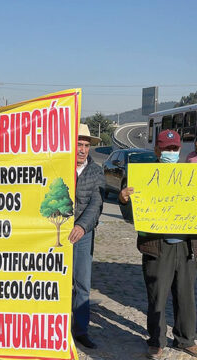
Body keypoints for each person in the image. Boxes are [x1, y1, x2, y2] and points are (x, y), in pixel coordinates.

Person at [119, 129, 197, 359]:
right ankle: (156, 340)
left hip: (185, 246)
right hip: (156, 245)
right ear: (157, 150)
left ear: (180, 149)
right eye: (166, 148)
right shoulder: (143, 177)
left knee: (185, 295)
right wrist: (124, 200)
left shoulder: (190, 176)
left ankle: (185, 339)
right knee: (157, 295)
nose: (171, 152)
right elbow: (131, 215)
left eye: (174, 149)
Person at [68, 123, 105, 349]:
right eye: (79, 144)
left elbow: (97, 203)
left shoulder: (96, 171)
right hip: (58, 232)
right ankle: (56, 328)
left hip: (83, 234)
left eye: (86, 145)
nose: (82, 149)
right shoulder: (59, 165)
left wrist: (82, 225)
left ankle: (80, 330)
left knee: (82, 283)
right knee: (57, 283)